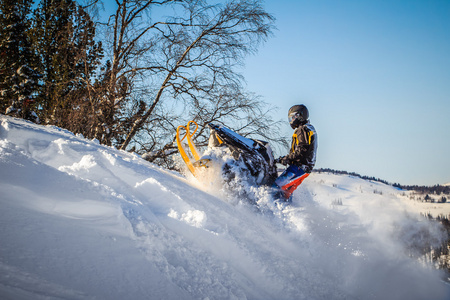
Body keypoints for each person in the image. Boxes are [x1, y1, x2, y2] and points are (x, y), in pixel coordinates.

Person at [274, 104, 318, 200]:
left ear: (299, 116)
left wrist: (286, 159)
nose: (291, 121)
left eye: (292, 118)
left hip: (298, 167)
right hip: (305, 168)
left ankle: (269, 209)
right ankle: (286, 210)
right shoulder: (309, 128)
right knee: (286, 192)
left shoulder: (302, 129)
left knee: (276, 187)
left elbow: (301, 151)